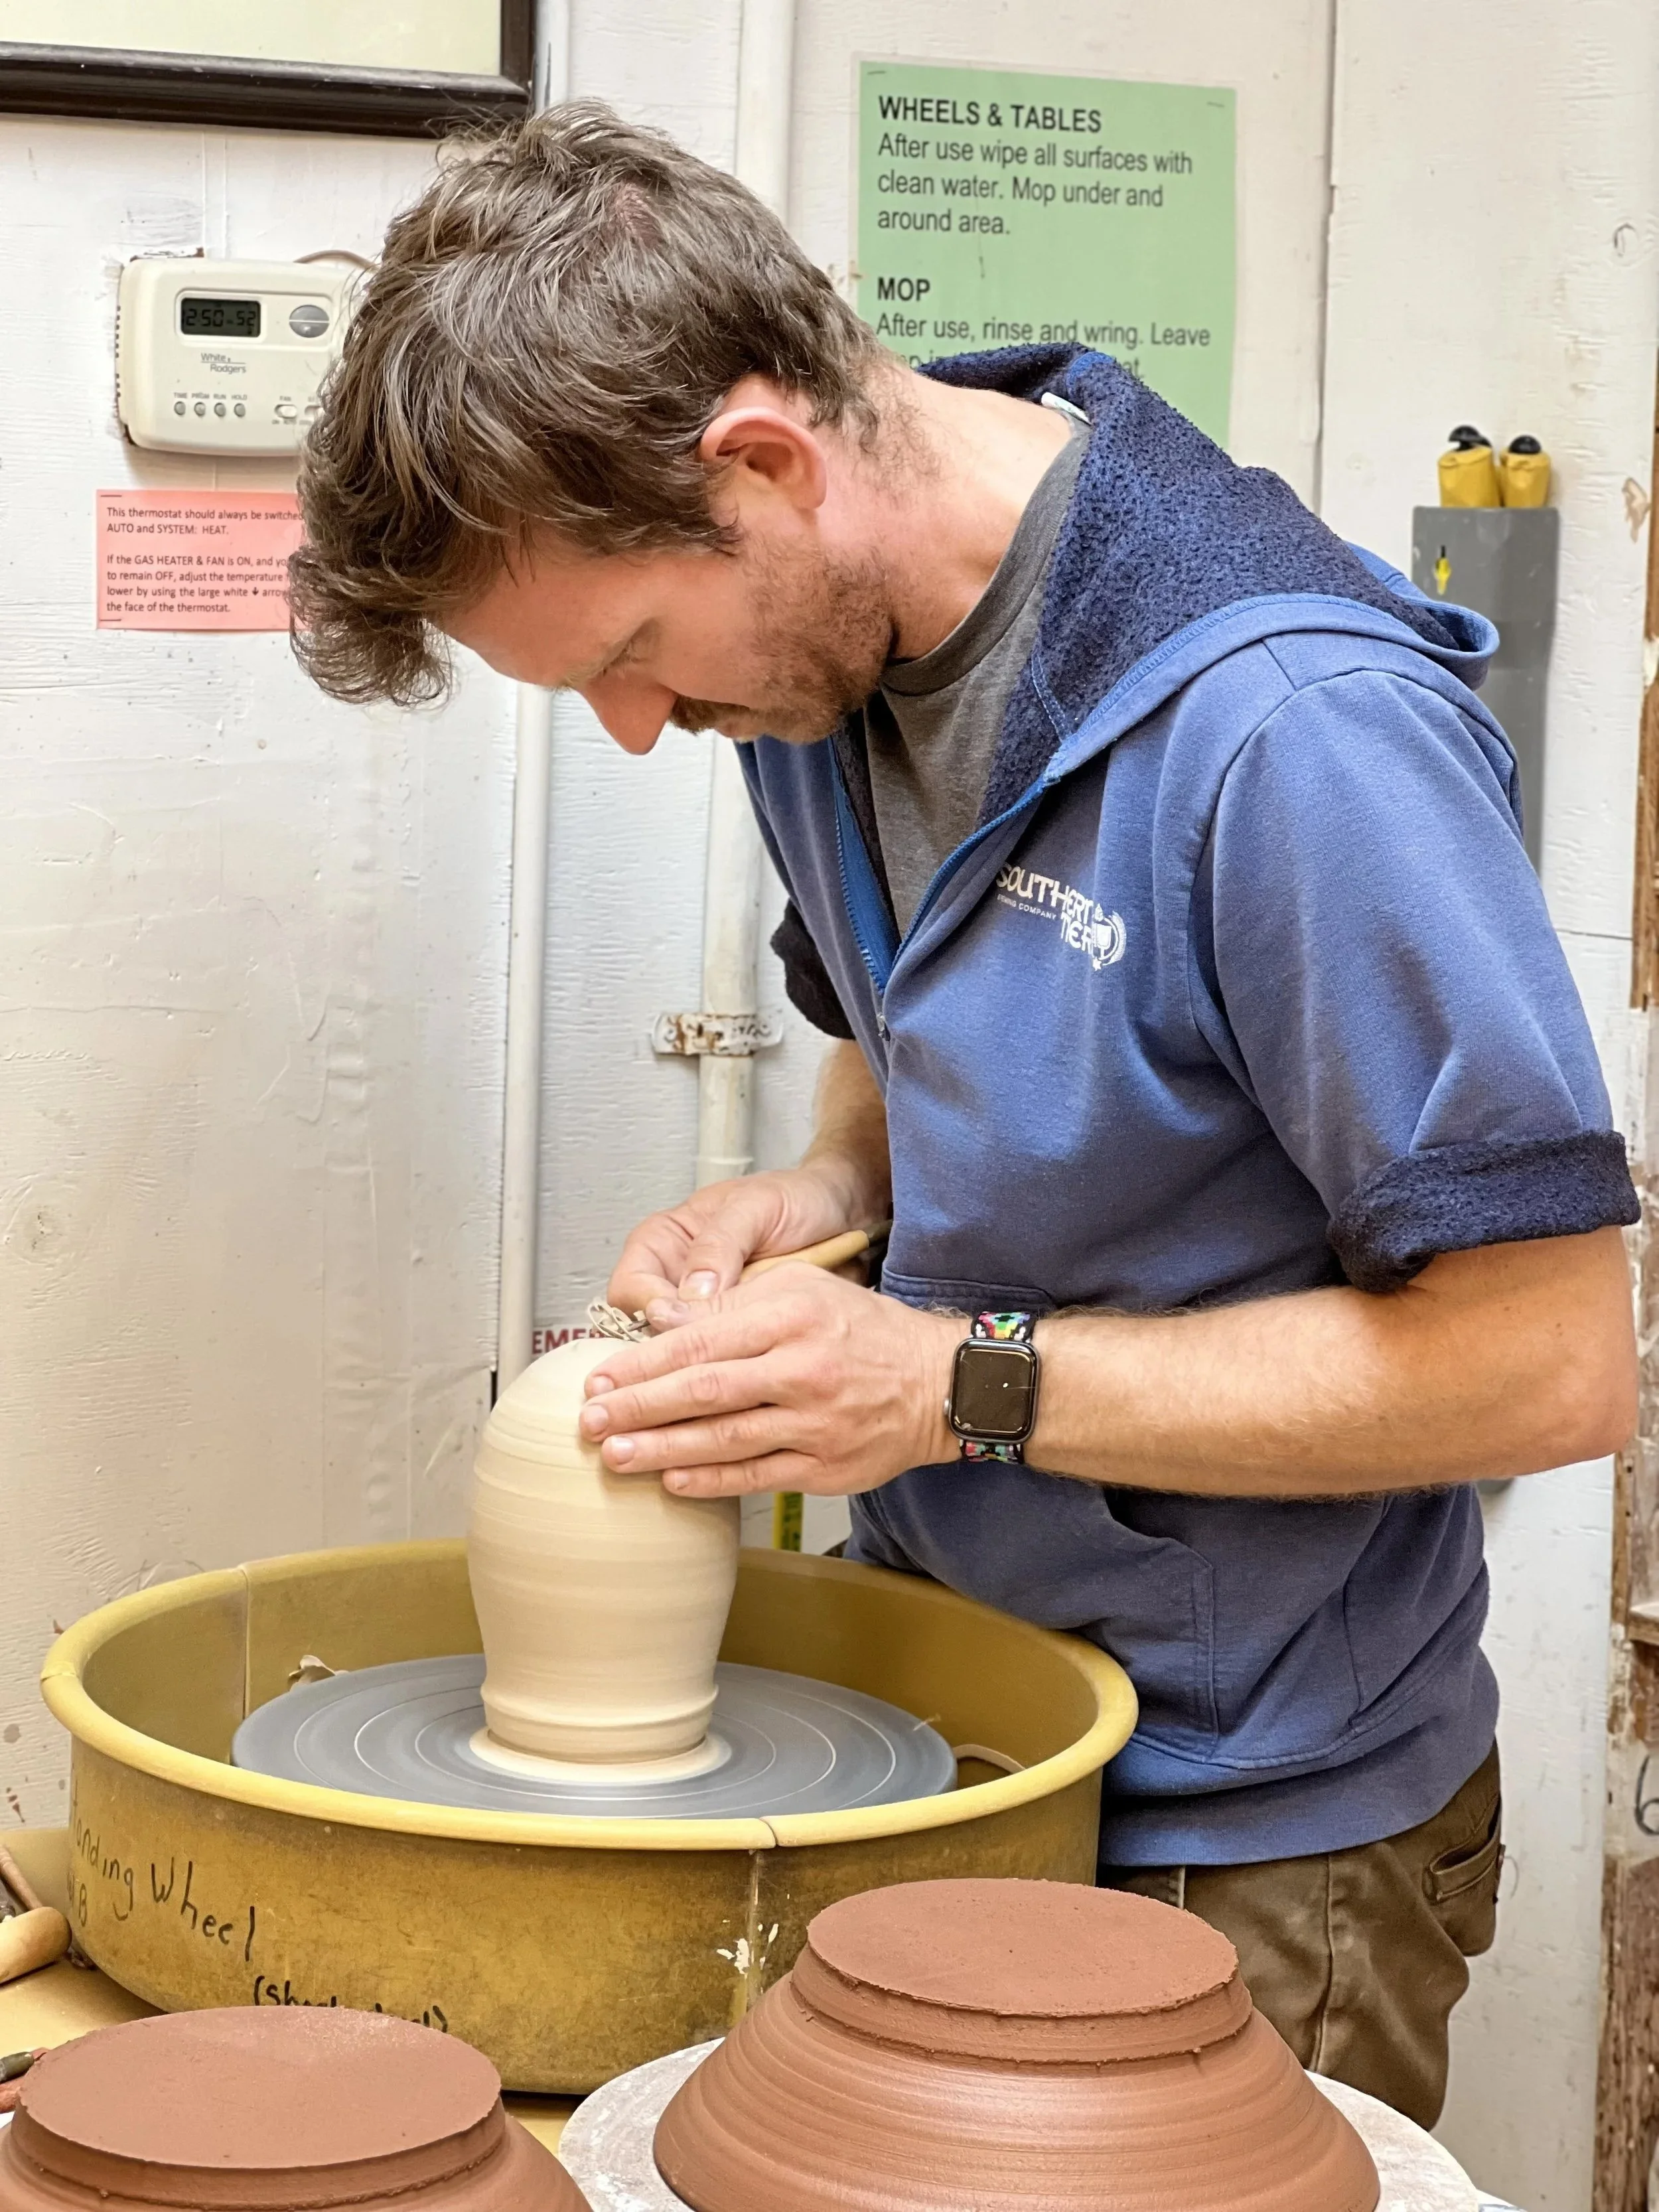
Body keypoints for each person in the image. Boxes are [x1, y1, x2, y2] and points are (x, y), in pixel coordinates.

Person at [289, 102, 1638, 2126]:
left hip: (1248, 1812)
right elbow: (915, 1037)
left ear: (759, 462)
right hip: (952, 1709)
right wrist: (822, 1185)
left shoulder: (1291, 735)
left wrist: (953, 1382)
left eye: (633, 658)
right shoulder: (825, 663)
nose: (640, 731)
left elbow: (1548, 1365)